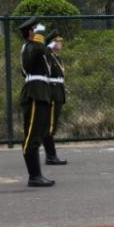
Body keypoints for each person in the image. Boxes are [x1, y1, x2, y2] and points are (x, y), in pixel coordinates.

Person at [18, 16, 55, 187]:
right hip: (34, 93)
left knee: (37, 134)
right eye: (35, 29)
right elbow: (40, 50)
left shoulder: (34, 47)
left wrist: (46, 38)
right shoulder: (30, 47)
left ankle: (37, 175)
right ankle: (34, 176)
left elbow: (44, 50)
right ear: (30, 32)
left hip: (41, 93)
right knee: (31, 136)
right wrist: (41, 36)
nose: (40, 33)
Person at [43, 29, 68, 166]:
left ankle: (51, 155)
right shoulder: (48, 56)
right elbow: (44, 52)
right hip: (52, 93)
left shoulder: (56, 58)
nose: (60, 44)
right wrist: (49, 44)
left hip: (58, 93)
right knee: (50, 126)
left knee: (52, 126)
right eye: (58, 42)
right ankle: (51, 156)